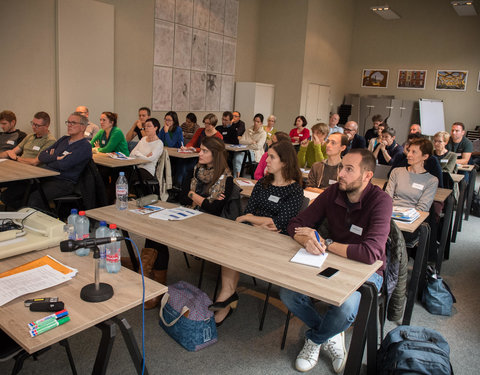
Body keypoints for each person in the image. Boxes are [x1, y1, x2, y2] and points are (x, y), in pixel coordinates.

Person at [280, 149, 392, 373]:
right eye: (341, 167)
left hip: (368, 271)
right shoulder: (333, 192)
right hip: (330, 260)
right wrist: (306, 237)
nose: (340, 173)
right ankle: (332, 333)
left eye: (349, 169)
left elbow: (370, 253)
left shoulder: (381, 201)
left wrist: (326, 243)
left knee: (346, 306)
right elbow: (295, 223)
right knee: (288, 293)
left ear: (367, 175)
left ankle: (315, 339)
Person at [210, 141, 304, 326]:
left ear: (284, 162)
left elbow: (278, 223)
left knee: (237, 242)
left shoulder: (295, 190)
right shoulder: (263, 183)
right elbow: (249, 211)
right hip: (254, 232)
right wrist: (254, 222)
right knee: (231, 244)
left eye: (271, 157)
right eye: (267, 155)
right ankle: (226, 294)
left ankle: (226, 297)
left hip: (277, 240)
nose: (266, 160)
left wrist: (250, 220)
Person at [137, 137, 234, 309]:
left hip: (209, 225)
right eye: (200, 150)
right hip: (188, 215)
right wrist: (200, 199)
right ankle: (150, 284)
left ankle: (150, 284)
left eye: (205, 151)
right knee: (155, 232)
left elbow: (214, 209)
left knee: (159, 235)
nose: (200, 153)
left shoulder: (225, 178)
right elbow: (181, 196)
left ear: (216, 155)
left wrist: (193, 195)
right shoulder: (194, 170)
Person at [27, 112, 92, 211]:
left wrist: (52, 157)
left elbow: (64, 164)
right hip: (48, 176)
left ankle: (47, 221)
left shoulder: (84, 146)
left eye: (73, 123)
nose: (69, 125)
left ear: (83, 127)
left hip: (64, 182)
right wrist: (56, 157)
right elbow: (42, 155)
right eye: (68, 122)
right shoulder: (64, 139)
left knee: (35, 198)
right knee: (19, 191)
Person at [0, 112, 57, 208]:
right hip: (20, 171)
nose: (34, 127)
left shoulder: (50, 140)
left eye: (37, 125)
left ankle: (23, 213)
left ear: (46, 126)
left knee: (7, 197)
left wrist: (17, 158)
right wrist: (11, 156)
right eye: (33, 124)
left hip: (32, 176)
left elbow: (35, 162)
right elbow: (12, 151)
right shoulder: (30, 136)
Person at [385, 138, 438, 212]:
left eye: (414, 152)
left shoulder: (432, 181)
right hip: (390, 214)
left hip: (413, 218)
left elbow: (422, 208)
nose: (409, 154)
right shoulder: (396, 172)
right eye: (409, 151)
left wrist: (405, 215)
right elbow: (387, 198)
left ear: (425, 156)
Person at [130, 118, 164, 194]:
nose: (146, 128)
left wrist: (138, 154)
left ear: (156, 128)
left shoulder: (159, 143)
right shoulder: (143, 139)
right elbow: (132, 154)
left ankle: (132, 195)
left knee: (131, 175)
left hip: (148, 170)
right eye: (145, 126)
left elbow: (150, 160)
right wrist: (144, 156)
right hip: (138, 167)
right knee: (124, 171)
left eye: (149, 126)